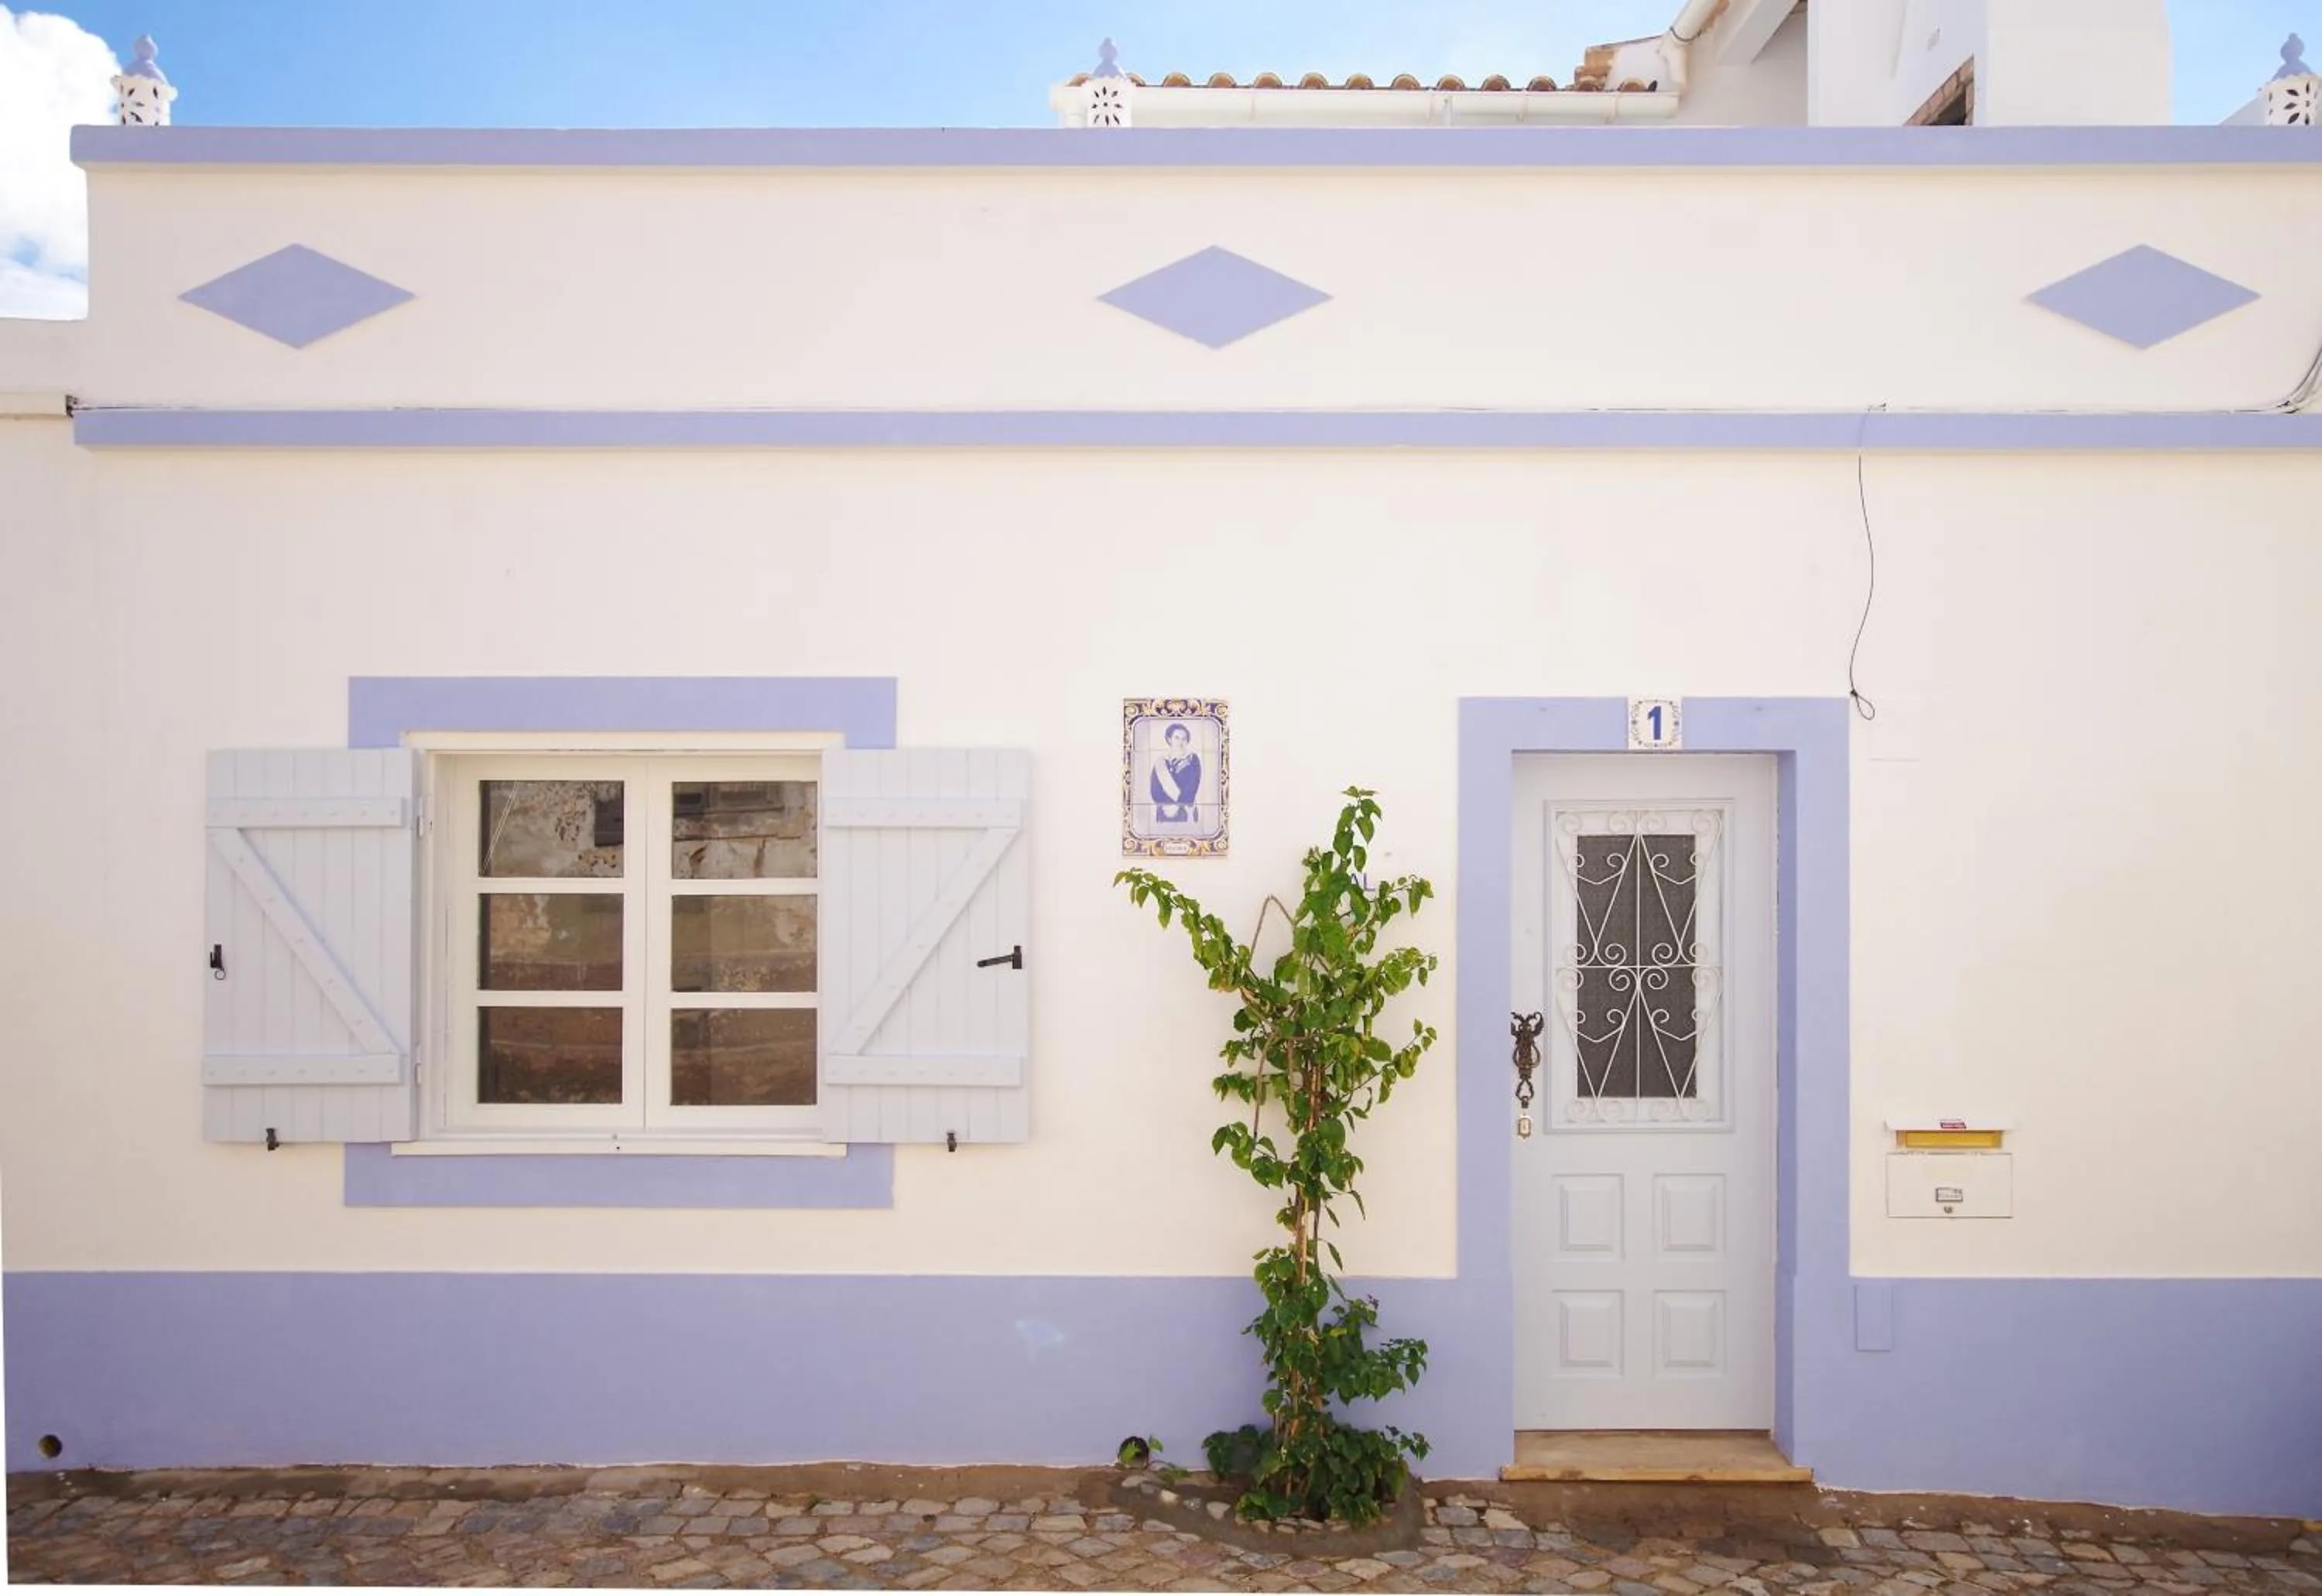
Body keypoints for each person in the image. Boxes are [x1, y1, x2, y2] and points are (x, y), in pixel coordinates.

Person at [1148, 722, 1202, 826]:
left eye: (1184, 738)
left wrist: (1177, 806)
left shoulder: (1192, 759)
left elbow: (1192, 786)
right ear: (1169, 740)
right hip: (1164, 812)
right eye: (1177, 738)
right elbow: (1155, 789)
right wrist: (1165, 806)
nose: (1180, 742)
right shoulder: (1160, 762)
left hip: (1185, 809)